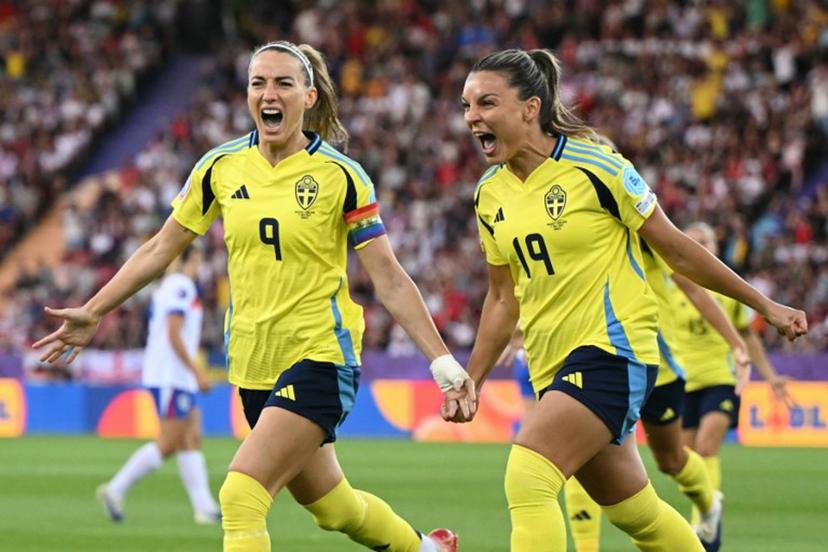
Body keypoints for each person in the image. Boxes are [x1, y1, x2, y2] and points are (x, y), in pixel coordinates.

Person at [35, 40, 475, 552]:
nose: (269, 93)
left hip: (320, 356)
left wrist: (443, 364)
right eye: (258, 83)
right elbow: (161, 246)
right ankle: (426, 548)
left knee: (241, 493)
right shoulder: (220, 167)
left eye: (283, 83)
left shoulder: (340, 176)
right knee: (334, 508)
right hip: (253, 364)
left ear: (309, 96)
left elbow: (391, 279)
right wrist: (93, 310)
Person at [446, 48, 807, 552]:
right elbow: (503, 298)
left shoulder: (598, 167)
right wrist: (474, 379)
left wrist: (765, 305)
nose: (472, 118)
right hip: (553, 363)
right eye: (466, 106)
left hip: (613, 351)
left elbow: (678, 250)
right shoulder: (489, 194)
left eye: (486, 103)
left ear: (530, 108)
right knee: (637, 514)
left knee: (527, 475)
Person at [563, 239, 752, 552]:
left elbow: (694, 290)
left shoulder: (643, 233)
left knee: (671, 459)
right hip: (598, 363)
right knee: (577, 454)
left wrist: (736, 343)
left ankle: (708, 503)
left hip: (656, 367)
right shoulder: (574, 231)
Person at [678, 222, 795, 542]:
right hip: (682, 382)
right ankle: (706, 508)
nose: (699, 247)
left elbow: (747, 338)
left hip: (721, 378)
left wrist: (770, 377)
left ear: (716, 247)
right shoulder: (670, 284)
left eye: (705, 242)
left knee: (706, 446)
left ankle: (705, 529)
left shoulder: (726, 289)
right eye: (692, 242)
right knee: (683, 461)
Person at [96, 245, 221, 524]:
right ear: (193, 258)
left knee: (192, 437)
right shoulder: (181, 286)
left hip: (174, 377)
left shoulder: (169, 286)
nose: (200, 265)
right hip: (170, 376)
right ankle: (115, 489)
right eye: (199, 259)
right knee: (169, 443)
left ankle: (204, 507)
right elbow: (174, 333)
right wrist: (196, 371)